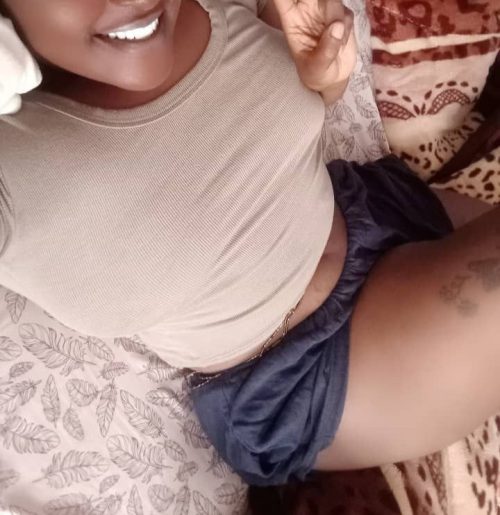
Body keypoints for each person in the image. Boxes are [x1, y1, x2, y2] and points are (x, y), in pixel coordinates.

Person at [0, 0, 497, 487]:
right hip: (305, 373)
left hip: (374, 207)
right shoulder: (12, 165)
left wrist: (324, 73)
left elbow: (274, 112)